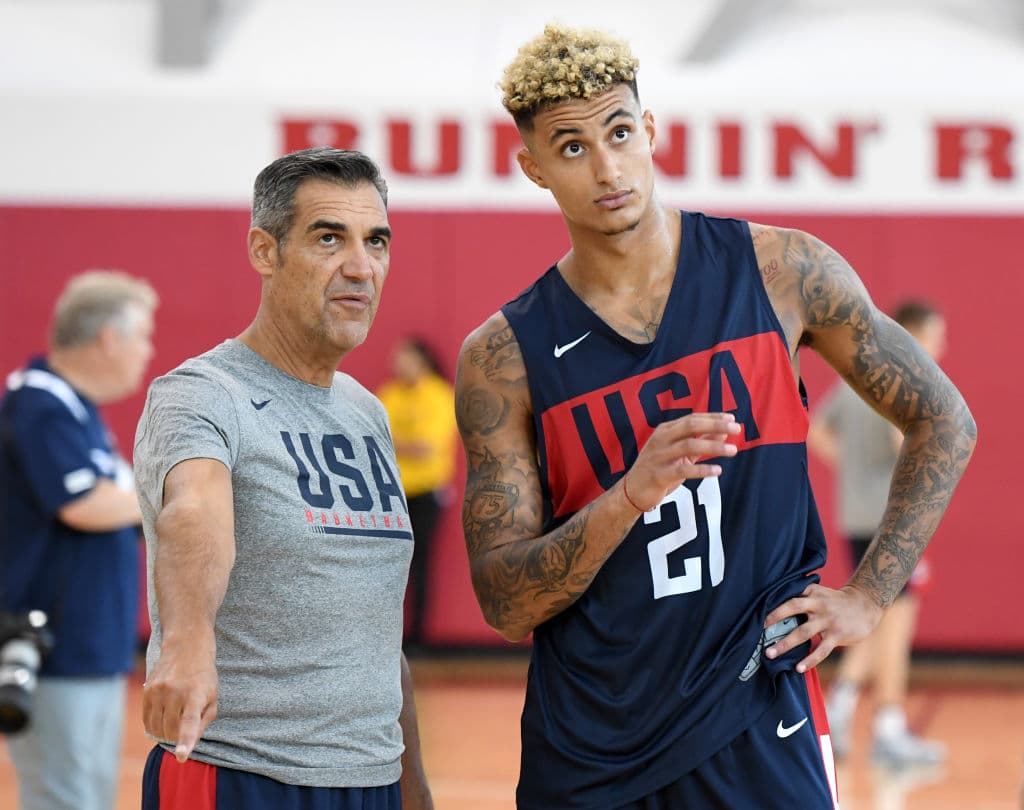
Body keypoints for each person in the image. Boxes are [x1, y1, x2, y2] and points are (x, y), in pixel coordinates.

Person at [454, 23, 976, 810]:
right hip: (589, 742)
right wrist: (629, 496)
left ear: (649, 130)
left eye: (619, 133)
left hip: (757, 718)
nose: (607, 168)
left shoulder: (781, 271)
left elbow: (945, 419)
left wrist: (870, 595)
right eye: (571, 148)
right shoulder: (503, 357)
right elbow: (504, 604)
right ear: (533, 168)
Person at [133, 148, 433, 810]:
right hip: (239, 772)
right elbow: (193, 513)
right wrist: (186, 646)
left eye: (376, 241)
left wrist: (412, 787)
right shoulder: (202, 393)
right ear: (264, 251)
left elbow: (375, 630)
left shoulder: (366, 413)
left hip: (370, 779)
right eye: (329, 238)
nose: (361, 266)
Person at [0, 271, 157, 810]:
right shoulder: (40, 403)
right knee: (63, 797)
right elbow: (84, 503)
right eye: (142, 337)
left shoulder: (74, 407)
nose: (147, 352)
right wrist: (172, 496)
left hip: (91, 645)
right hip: (56, 648)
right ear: (109, 338)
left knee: (85, 795)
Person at [809, 300, 949, 768]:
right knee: (895, 621)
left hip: (856, 513)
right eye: (935, 337)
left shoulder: (857, 378)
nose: (941, 347)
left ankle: (844, 707)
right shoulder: (908, 380)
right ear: (913, 335)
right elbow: (907, 439)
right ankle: (886, 725)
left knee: (877, 615)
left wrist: (852, 469)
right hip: (893, 518)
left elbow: (816, 429)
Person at [377, 337, 457, 648]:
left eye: (404, 357)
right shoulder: (390, 394)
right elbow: (369, 438)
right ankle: (385, 634)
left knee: (420, 562)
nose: (397, 363)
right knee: (386, 565)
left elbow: (426, 447)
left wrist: (393, 442)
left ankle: (418, 638)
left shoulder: (438, 395)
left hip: (425, 493)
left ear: (421, 361)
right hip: (391, 493)